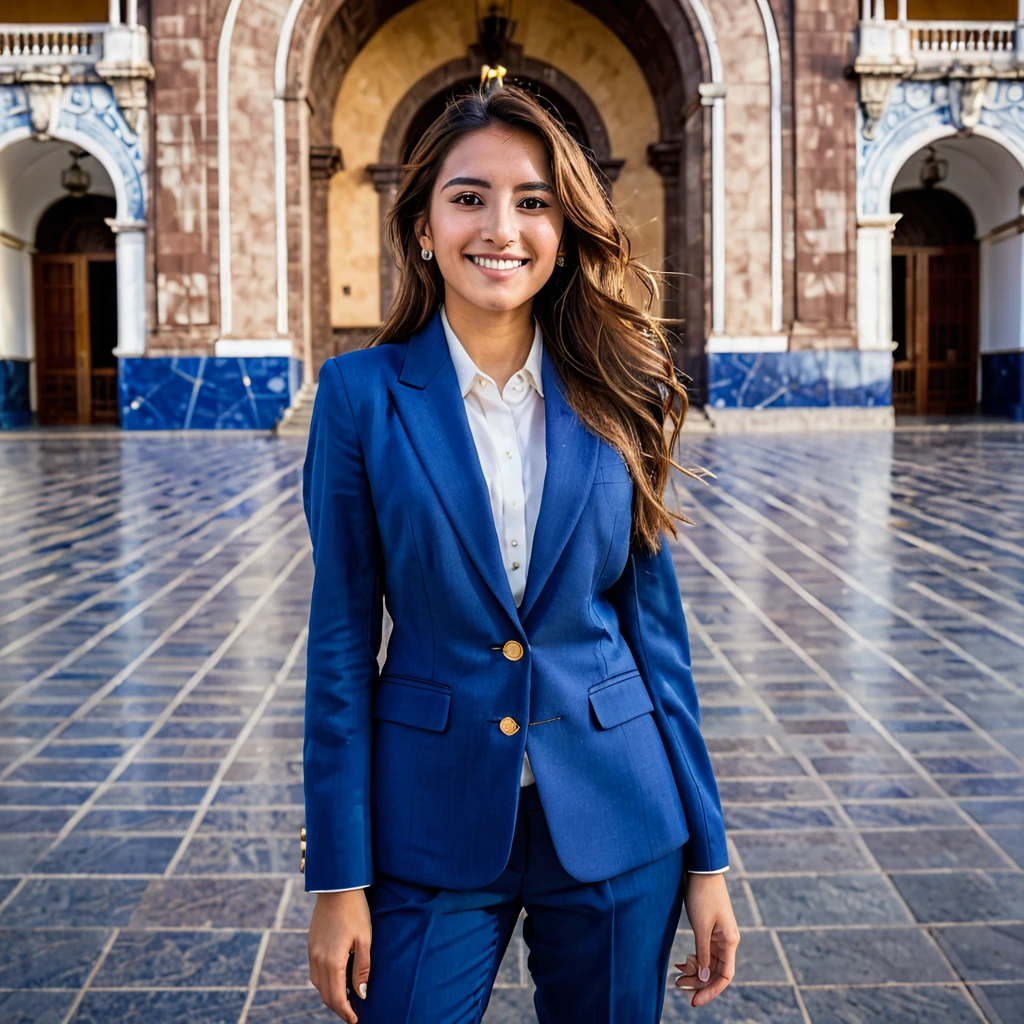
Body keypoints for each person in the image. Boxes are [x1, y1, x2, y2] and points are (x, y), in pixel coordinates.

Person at [300, 76, 739, 1024]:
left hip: (620, 814)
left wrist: (708, 854)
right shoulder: (358, 398)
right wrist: (336, 874)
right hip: (427, 817)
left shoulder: (625, 392)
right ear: (422, 225)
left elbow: (657, 638)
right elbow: (338, 647)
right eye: (469, 197)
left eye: (534, 200)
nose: (501, 226)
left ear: (566, 226)